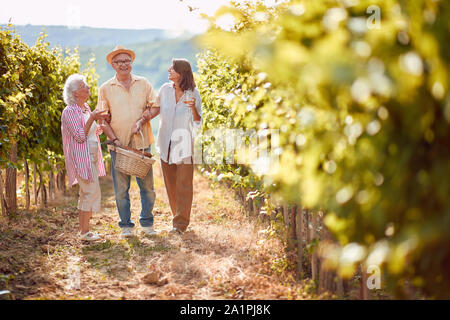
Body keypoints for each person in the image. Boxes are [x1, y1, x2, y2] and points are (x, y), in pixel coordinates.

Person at [98, 45, 158, 238]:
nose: (124, 64)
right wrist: (114, 140)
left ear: (131, 63)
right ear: (113, 65)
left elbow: (155, 107)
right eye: (119, 62)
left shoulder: (144, 83)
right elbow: (102, 119)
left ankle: (147, 223)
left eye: (127, 61)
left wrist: (142, 120)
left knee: (147, 187)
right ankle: (125, 225)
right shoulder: (105, 88)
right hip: (118, 147)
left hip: (142, 145)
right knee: (121, 189)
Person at [137, 58, 202, 235]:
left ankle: (180, 224)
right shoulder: (165, 90)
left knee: (184, 185)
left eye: (172, 68)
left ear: (181, 73)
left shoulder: (193, 93)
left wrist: (194, 108)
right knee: (171, 185)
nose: (169, 70)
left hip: (184, 146)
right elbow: (156, 110)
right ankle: (177, 219)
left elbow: (198, 122)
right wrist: (142, 119)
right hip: (165, 143)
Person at [61, 74, 108, 241]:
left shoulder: (86, 107)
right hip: (82, 158)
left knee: (85, 193)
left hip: (92, 155)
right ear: (75, 93)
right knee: (90, 192)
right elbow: (80, 136)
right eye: (83, 86)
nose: (87, 87)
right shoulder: (70, 111)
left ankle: (83, 231)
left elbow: (91, 132)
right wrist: (93, 119)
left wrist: (99, 124)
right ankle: (85, 232)